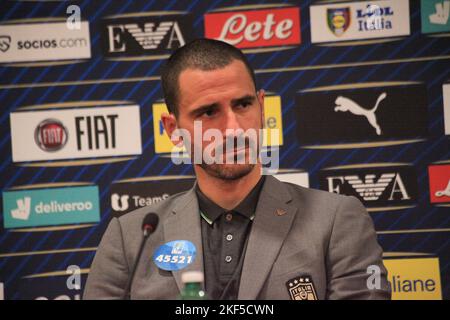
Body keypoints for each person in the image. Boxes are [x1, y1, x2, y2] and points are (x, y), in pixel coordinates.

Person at [83, 39, 391, 300]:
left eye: (242, 105)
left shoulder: (336, 220)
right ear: (172, 129)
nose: (232, 128)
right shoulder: (130, 238)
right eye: (208, 111)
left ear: (262, 107)